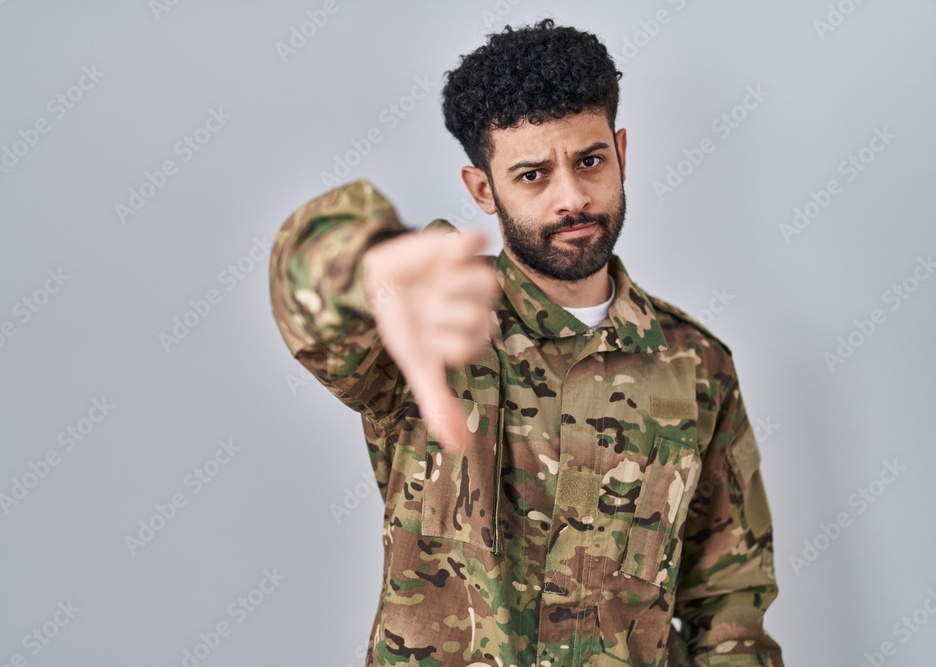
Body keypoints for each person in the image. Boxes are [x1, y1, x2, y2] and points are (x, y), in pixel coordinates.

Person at [269, 18, 784, 666]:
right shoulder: (433, 325)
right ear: (483, 188)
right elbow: (314, 298)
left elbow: (729, 603)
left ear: (622, 150)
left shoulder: (697, 364)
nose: (573, 197)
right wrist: (363, 265)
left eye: (590, 160)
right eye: (533, 174)